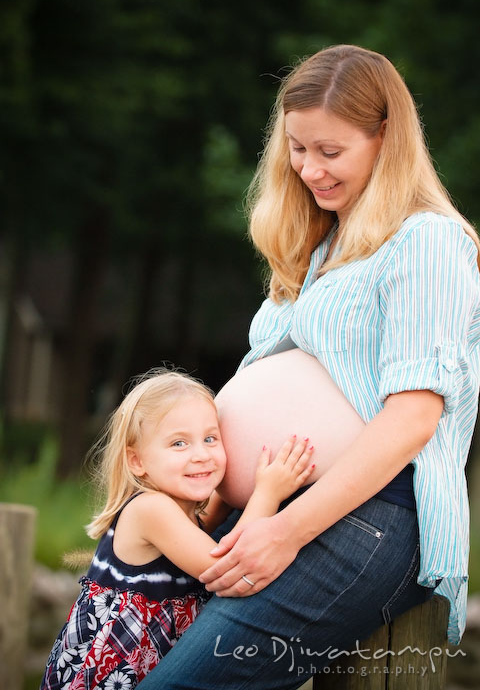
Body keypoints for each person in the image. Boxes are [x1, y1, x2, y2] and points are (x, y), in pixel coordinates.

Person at [136, 44, 480, 690]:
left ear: (386, 139)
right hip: (274, 511)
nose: (309, 169)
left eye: (331, 152)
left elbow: (412, 419)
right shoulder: (316, 249)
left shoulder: (427, 240)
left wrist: (286, 532)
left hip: (369, 517)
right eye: (298, 148)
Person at [40, 369, 314, 689]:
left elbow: (203, 527)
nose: (201, 455)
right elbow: (226, 566)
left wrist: (228, 494)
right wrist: (268, 493)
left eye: (210, 439)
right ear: (137, 461)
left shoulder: (179, 508)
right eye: (179, 443)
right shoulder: (150, 509)